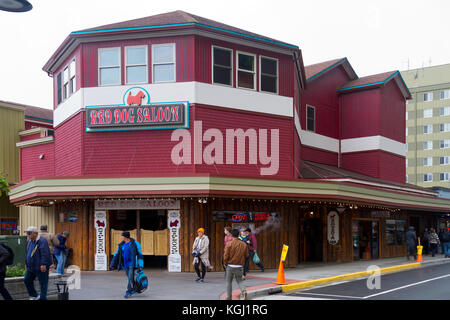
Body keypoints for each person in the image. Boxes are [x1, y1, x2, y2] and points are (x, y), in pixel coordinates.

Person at [110, 231, 144, 298]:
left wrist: (140, 265)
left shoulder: (135, 244)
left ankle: (128, 291)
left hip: (132, 263)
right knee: (129, 277)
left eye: (122, 236)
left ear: (125, 237)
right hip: (125, 264)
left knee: (130, 277)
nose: (121, 237)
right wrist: (112, 264)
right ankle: (136, 288)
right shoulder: (121, 244)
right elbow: (116, 254)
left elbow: (140, 255)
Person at [23, 226, 52, 300]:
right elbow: (28, 253)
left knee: (43, 283)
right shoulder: (30, 241)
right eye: (27, 233)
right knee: (27, 279)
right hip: (31, 266)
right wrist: (26, 263)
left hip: (40, 266)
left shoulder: (42, 241)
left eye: (29, 233)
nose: (28, 235)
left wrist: (43, 264)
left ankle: (42, 298)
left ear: (35, 233)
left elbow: (44, 253)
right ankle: (34, 295)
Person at [224, 229, 249, 300]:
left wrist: (225, 263)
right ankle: (244, 291)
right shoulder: (244, 244)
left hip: (230, 265)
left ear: (231, 235)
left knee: (229, 282)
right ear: (238, 235)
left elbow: (225, 256)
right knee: (240, 280)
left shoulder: (229, 244)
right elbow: (247, 255)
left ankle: (229, 297)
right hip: (240, 266)